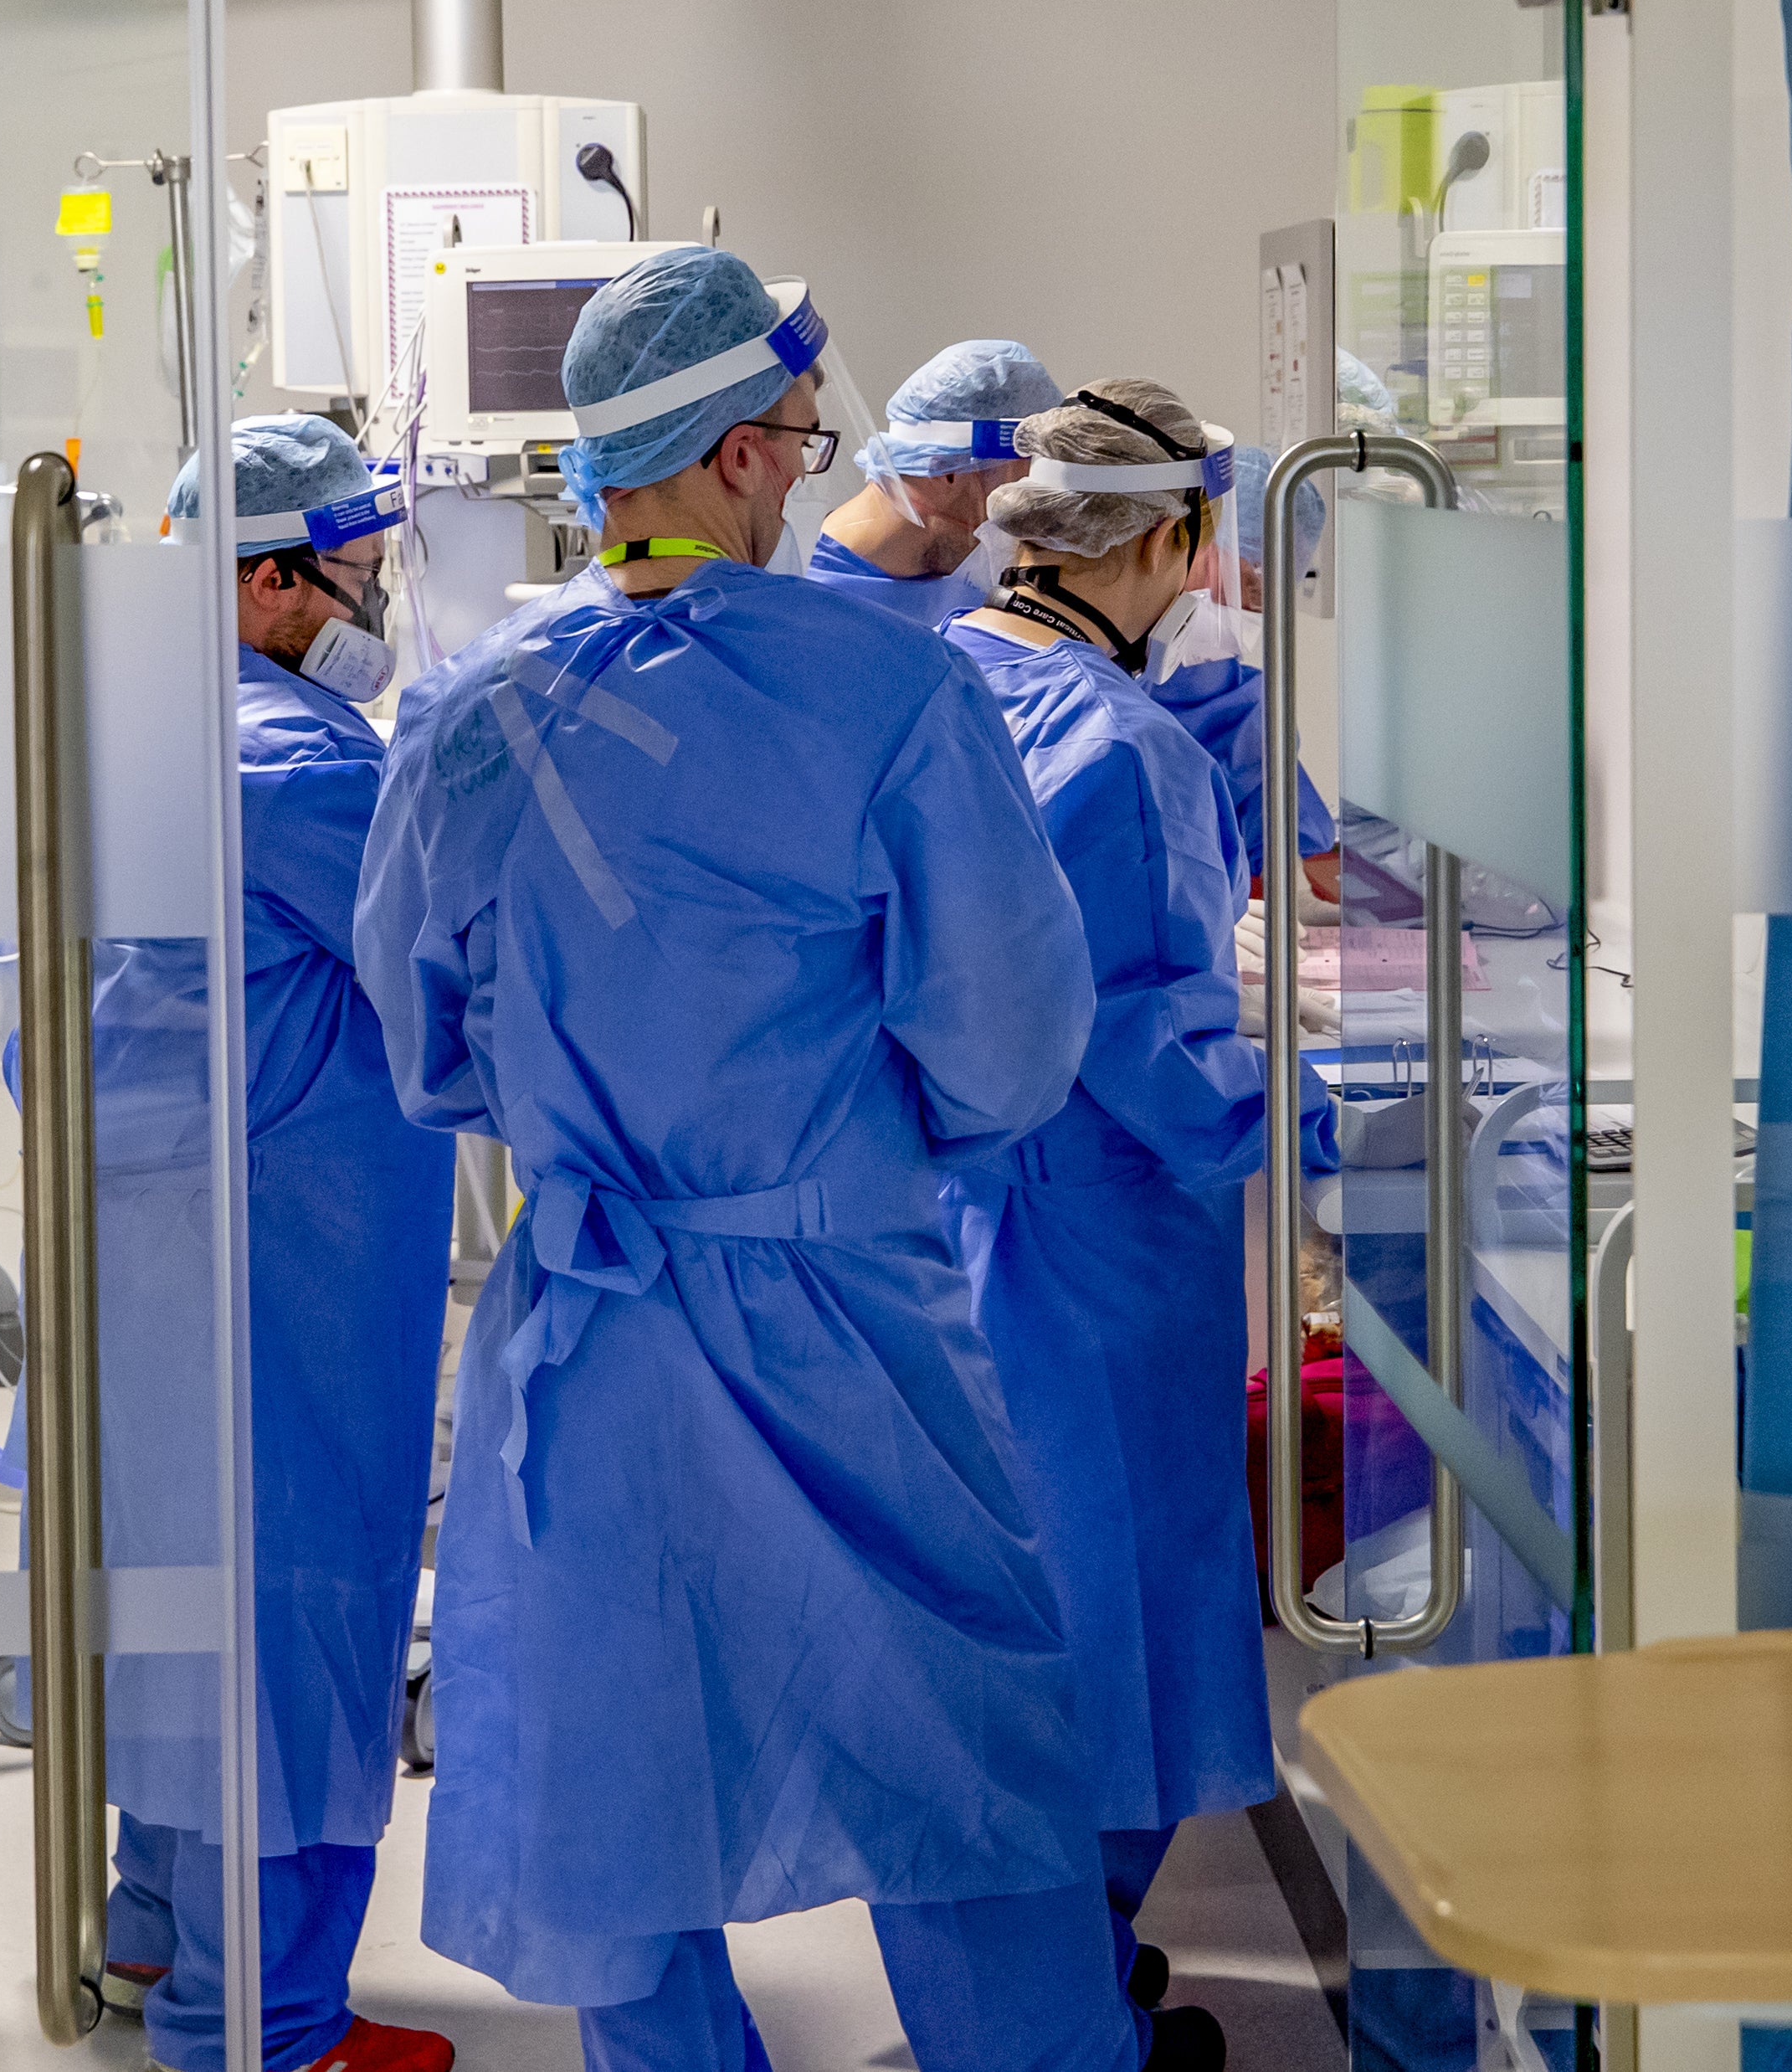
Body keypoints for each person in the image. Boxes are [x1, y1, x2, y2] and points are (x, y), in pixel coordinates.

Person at [353, 246, 1177, 2072]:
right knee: (965, 1777)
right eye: (802, 442)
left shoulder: (468, 711)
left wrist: (614, 1111)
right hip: (846, 1321)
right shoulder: (883, 698)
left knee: (617, 1809)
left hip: (588, 1333)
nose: (811, 469)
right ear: (736, 453)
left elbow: (429, 1057)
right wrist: (830, 1152)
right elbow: (1010, 1044)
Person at [938, 379, 1343, 2049]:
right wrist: (1330, 1114)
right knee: (1102, 1641)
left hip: (955, 1231)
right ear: (1172, 538)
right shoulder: (1124, 754)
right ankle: (1069, 2014)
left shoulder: (949, 682)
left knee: (1014, 1626)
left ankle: (1054, 1987)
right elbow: (1154, 1060)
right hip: (1091, 1259)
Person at [95, 417, 460, 2072]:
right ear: (265, 581)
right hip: (281, 1260)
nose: (374, 604)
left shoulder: (127, 734)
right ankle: (262, 2026)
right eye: (361, 577)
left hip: (158, 1246)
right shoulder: (302, 765)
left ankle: (149, 1939)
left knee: (179, 1607)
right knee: (292, 1619)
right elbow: (453, 957)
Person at [1141, 443, 1340, 907]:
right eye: (1243, 580)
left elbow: (1271, 850)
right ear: (1181, 543)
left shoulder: (1242, 701)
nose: (1245, 610)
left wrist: (1289, 894)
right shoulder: (1093, 675)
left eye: (1263, 594)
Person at [804, 337, 1062, 627]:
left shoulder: (972, 586)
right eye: (1015, 489)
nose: (1018, 522)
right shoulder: (799, 593)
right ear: (946, 472)